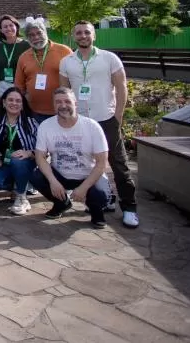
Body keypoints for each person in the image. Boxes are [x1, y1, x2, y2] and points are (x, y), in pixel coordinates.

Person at [59, 21, 138, 228]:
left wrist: (118, 116)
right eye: (78, 33)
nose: (83, 36)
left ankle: (129, 208)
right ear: (74, 36)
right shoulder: (67, 62)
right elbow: (64, 93)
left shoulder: (109, 58)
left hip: (106, 119)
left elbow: (121, 87)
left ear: (94, 35)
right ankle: (104, 198)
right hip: (81, 121)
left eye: (87, 32)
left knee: (118, 164)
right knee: (86, 165)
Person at [31, 88, 110, 228]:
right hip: (61, 175)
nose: (63, 105)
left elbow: (102, 162)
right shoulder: (46, 126)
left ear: (75, 103)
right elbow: (40, 156)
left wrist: (83, 188)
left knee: (100, 194)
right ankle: (62, 203)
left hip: (88, 175)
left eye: (67, 101)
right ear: (54, 105)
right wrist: (53, 182)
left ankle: (96, 211)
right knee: (36, 176)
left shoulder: (92, 126)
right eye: (58, 102)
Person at [0, 87, 39, 215]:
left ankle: (21, 197)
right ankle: (19, 184)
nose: (14, 103)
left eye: (18, 101)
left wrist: (29, 153)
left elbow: (44, 150)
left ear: (22, 105)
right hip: (3, 164)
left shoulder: (31, 123)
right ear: (4, 103)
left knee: (17, 161)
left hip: (25, 163)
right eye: (10, 100)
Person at [16, 19, 73, 122]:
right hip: (34, 112)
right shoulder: (23, 57)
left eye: (39, 33)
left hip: (62, 110)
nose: (36, 37)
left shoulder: (64, 51)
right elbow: (19, 86)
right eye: (31, 35)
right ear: (27, 38)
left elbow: (75, 78)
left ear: (45, 32)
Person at [0, 14, 30, 102]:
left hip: (22, 87)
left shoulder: (27, 45)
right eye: (5, 27)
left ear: (16, 26)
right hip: (3, 86)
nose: (8, 28)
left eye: (11, 25)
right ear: (1, 30)